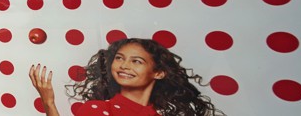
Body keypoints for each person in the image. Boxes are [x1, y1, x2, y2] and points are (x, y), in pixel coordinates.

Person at [30, 38, 223, 116]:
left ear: (159, 72)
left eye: (137, 61)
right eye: (119, 58)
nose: (124, 66)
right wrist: (49, 102)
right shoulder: (97, 110)